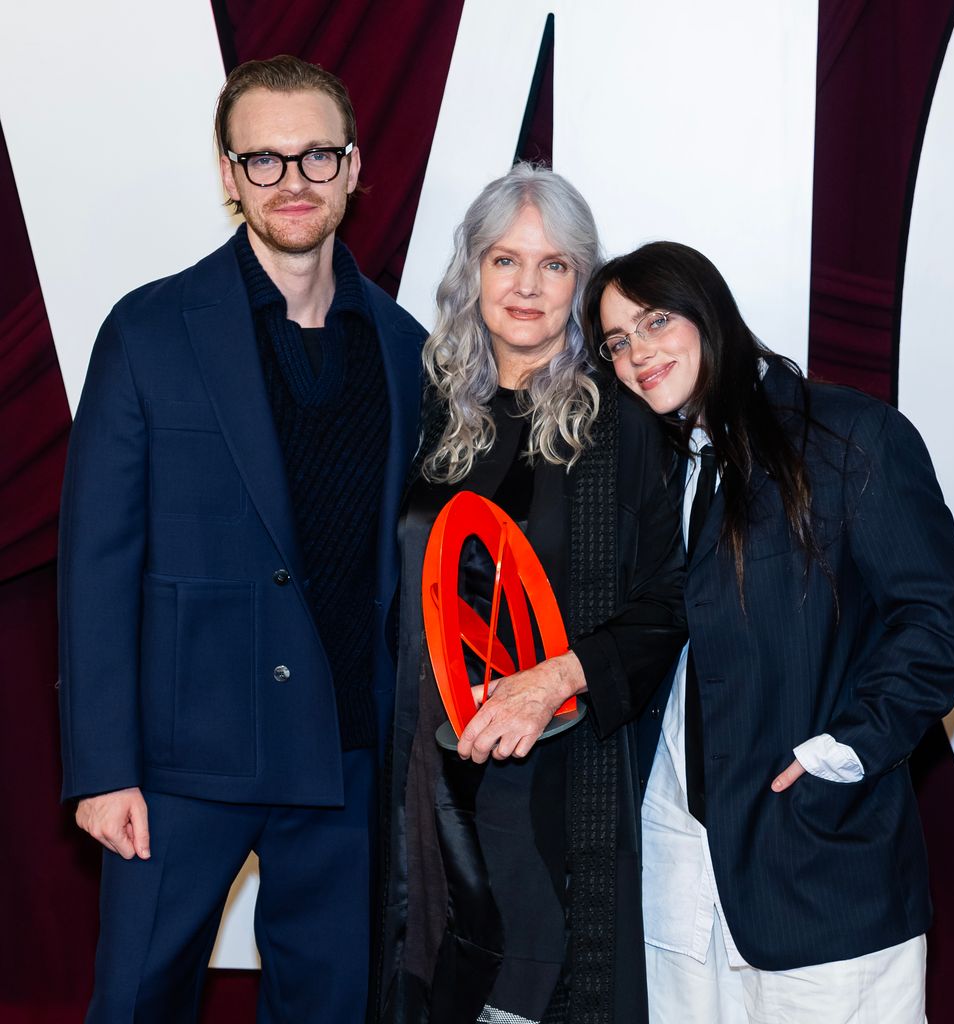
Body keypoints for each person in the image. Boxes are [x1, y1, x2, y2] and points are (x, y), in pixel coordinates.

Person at [58, 55, 425, 1021]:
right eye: (263, 159)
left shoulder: (403, 348)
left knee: (333, 1007)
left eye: (315, 156)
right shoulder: (149, 330)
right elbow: (96, 564)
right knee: (137, 1000)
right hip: (184, 758)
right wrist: (104, 768)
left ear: (353, 167)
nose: (291, 180)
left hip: (344, 752)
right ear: (228, 175)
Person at [581, 241, 954, 1024]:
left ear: (711, 312)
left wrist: (844, 750)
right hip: (678, 877)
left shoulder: (849, 435)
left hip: (819, 870)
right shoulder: (655, 467)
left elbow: (935, 622)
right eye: (618, 342)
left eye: (655, 319)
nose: (637, 353)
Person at [377, 165, 687, 1024]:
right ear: (471, 270)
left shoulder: (623, 424)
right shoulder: (424, 406)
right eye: (505, 259)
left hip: (552, 779)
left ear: (581, 284)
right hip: (421, 779)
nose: (526, 286)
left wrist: (555, 678)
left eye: (554, 266)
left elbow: (666, 608)